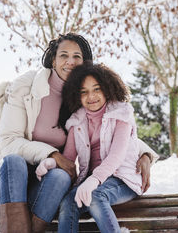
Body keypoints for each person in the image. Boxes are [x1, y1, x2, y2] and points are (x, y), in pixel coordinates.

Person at [0, 33, 158, 233]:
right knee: (14, 162)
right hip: (11, 175)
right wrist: (52, 155)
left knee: (62, 177)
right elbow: (8, 141)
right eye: (64, 55)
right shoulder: (28, 86)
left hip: (45, 184)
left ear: (85, 62)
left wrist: (144, 154)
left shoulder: (79, 98)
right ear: (53, 60)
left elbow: (107, 128)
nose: (70, 61)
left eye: (77, 56)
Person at [36, 62, 147, 232]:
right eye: (84, 92)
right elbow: (68, 159)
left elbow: (116, 156)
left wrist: (94, 180)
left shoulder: (121, 114)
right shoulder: (77, 121)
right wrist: (51, 163)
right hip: (93, 182)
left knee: (96, 196)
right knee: (68, 203)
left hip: (123, 179)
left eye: (97, 89)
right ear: (77, 95)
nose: (91, 96)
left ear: (107, 89)